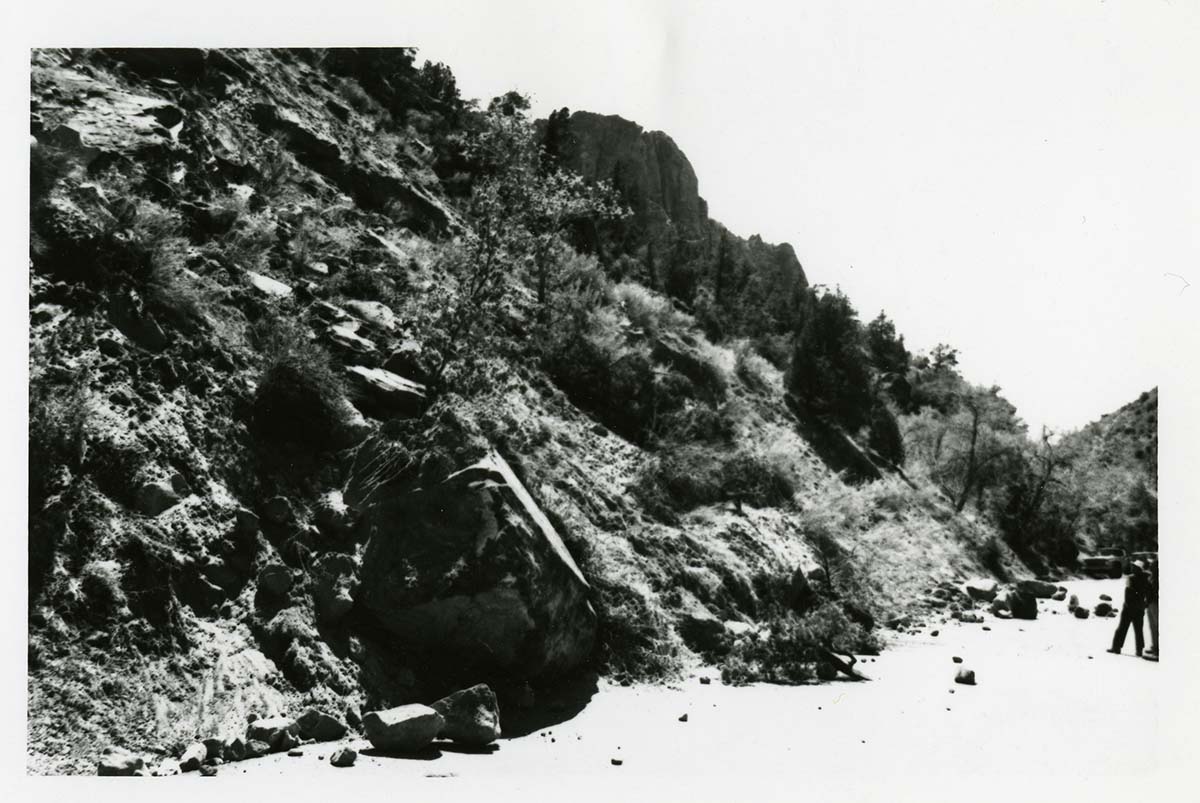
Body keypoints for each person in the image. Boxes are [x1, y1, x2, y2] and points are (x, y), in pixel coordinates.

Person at [1108, 559, 1148, 656]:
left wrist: (1127, 605)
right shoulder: (1146, 578)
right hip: (1140, 608)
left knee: (1122, 628)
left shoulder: (1131, 578)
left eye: (1134, 567)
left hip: (1129, 608)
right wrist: (1145, 604)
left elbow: (1128, 593)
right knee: (1138, 630)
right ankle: (1139, 650)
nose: (1132, 568)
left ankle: (1116, 647)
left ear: (1138, 568)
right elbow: (1148, 593)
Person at [1144, 558, 1159, 658]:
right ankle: (1155, 647)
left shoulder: (1158, 578)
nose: (1150, 567)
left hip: (1155, 603)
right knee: (1153, 627)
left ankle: (1158, 651)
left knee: (1157, 627)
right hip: (1150, 603)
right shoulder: (1151, 577)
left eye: (1153, 566)